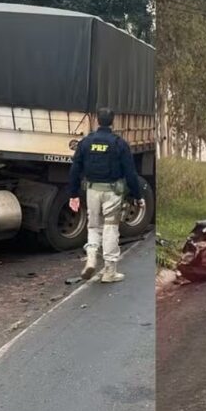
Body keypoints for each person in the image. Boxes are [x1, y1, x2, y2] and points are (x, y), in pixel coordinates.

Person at [68, 107, 144, 283]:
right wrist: (137, 196)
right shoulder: (119, 144)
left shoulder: (86, 142)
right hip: (112, 192)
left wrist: (73, 193)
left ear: (96, 121)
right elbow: (130, 173)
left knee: (93, 226)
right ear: (113, 122)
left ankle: (92, 257)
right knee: (110, 227)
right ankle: (110, 270)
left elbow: (75, 169)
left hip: (92, 191)